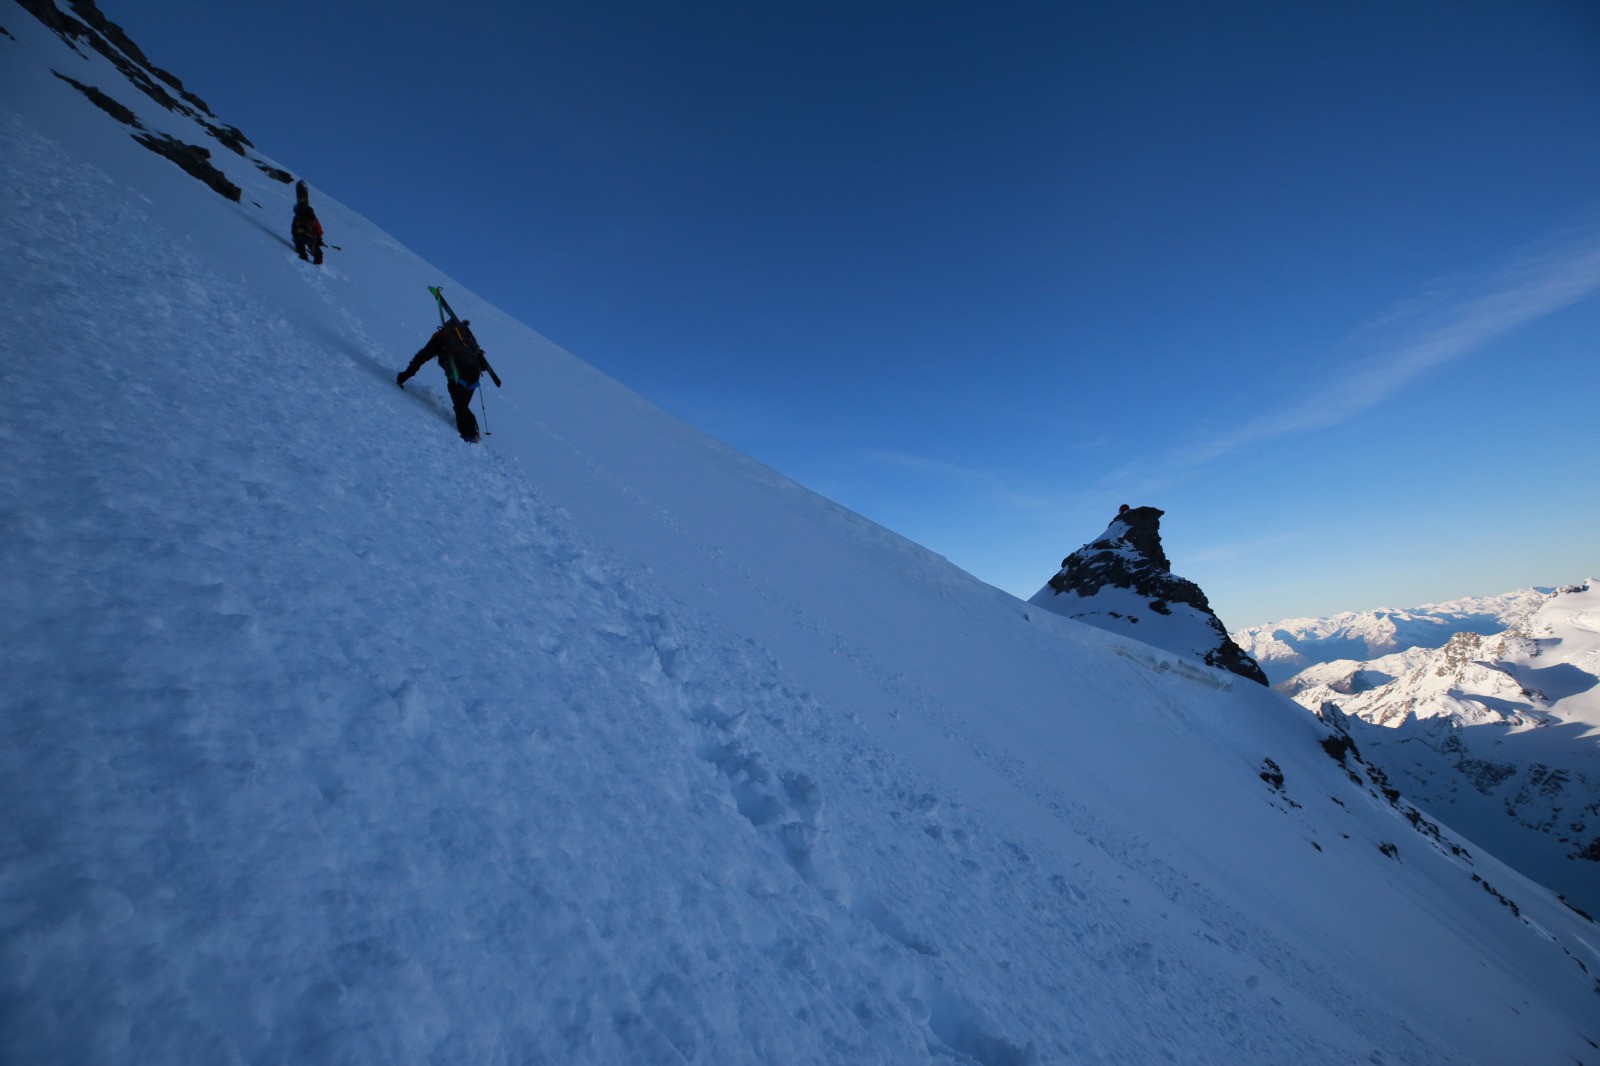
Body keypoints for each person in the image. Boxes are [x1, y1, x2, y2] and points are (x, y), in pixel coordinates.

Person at [396, 318, 501, 442]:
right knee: (462, 406)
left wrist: (404, 376)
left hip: (459, 375)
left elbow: (420, 358)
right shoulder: (466, 339)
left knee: (460, 407)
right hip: (474, 376)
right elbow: (482, 363)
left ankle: (469, 436)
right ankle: (472, 429)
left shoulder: (439, 339)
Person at [291, 180, 324, 265]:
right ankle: (317, 267)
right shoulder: (311, 215)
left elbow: (294, 229)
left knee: (301, 252)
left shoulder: (297, 215)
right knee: (319, 254)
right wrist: (319, 238)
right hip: (310, 237)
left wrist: (295, 238)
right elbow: (318, 228)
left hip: (299, 237)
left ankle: (303, 260)